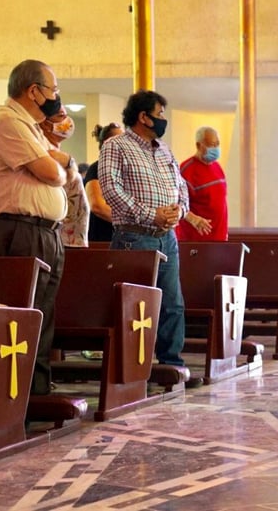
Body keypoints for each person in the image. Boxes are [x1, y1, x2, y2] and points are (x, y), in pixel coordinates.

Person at [0, 59, 70, 395]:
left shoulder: (29, 125)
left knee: (41, 316)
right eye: (54, 90)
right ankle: (16, 399)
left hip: (43, 232)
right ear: (34, 91)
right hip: (20, 230)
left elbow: (58, 167)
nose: (57, 97)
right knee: (22, 318)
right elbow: (53, 173)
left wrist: (57, 154)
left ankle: (35, 394)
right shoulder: (6, 122)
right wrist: (62, 164)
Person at [98, 90, 193, 379]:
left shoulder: (165, 150)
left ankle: (171, 364)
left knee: (172, 303)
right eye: (160, 114)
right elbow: (111, 189)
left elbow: (182, 187)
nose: (163, 119)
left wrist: (179, 211)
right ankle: (130, 368)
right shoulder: (117, 146)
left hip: (168, 238)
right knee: (135, 308)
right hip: (134, 236)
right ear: (144, 117)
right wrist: (150, 214)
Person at [40, 105, 90, 248]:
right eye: (61, 116)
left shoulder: (57, 152)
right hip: (59, 237)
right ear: (45, 123)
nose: (67, 121)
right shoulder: (45, 152)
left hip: (69, 240)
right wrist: (69, 162)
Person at [176, 126, 227, 241]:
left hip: (219, 239)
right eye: (211, 144)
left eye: (217, 144)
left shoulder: (217, 167)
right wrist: (194, 219)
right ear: (199, 145)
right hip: (196, 240)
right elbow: (176, 204)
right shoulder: (186, 170)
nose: (216, 148)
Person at [85, 122, 124, 242]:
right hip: (102, 237)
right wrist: (129, 223)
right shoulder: (97, 168)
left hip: (123, 238)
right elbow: (97, 206)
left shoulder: (125, 170)